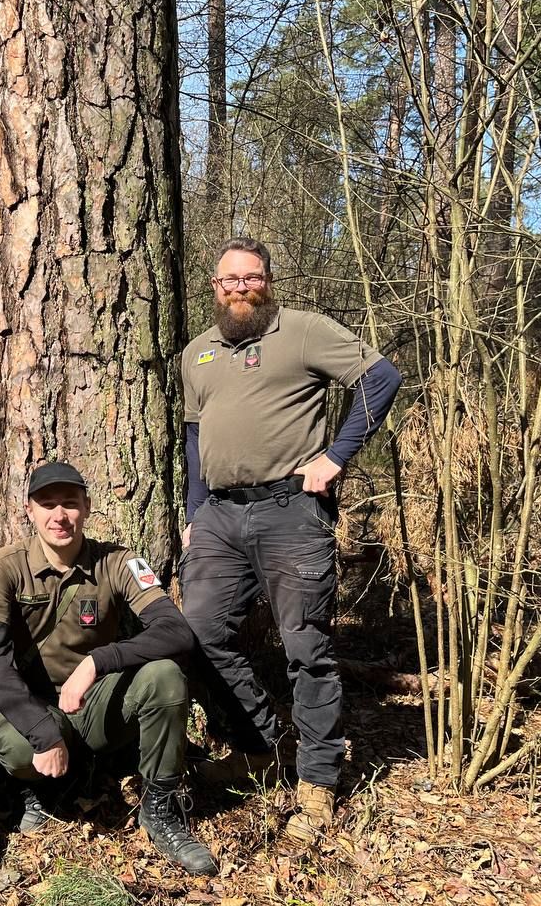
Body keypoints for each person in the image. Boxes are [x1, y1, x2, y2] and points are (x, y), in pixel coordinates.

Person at [179, 237, 402, 844]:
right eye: (229, 279)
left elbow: (381, 377)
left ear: (268, 280)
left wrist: (336, 456)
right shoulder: (196, 354)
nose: (240, 287)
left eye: (251, 277)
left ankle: (318, 782)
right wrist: (196, 510)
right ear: (215, 286)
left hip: (292, 512)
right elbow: (196, 443)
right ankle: (260, 744)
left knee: (306, 647)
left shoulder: (303, 331)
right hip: (220, 519)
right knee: (195, 634)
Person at [0, 462, 217, 876]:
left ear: (86, 507)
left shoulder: (118, 562)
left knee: (165, 677)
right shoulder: (2, 567)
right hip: (34, 708)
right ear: (28, 511)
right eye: (46, 504)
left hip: (95, 702)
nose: (59, 515)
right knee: (16, 746)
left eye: (70, 503)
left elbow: (176, 632)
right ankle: (35, 791)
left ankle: (159, 809)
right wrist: (44, 731)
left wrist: (97, 661)